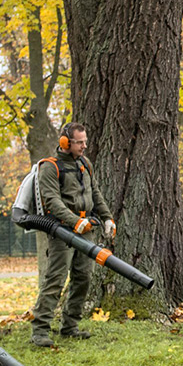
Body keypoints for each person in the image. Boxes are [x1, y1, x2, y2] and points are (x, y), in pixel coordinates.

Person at [30, 123, 116, 347]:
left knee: (83, 278)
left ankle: (70, 326)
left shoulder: (85, 164)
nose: (85, 146)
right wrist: (74, 221)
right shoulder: (50, 168)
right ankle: (40, 329)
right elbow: (52, 201)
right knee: (55, 279)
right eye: (80, 142)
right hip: (62, 232)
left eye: (85, 141)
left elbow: (94, 192)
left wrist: (107, 218)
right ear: (65, 143)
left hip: (85, 230)